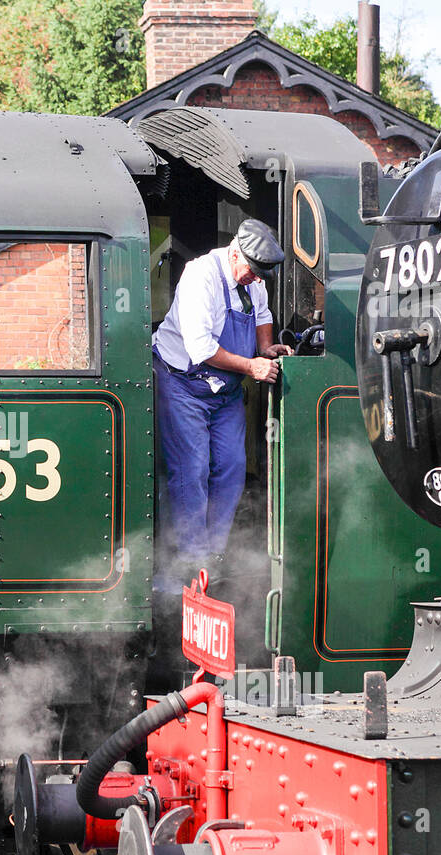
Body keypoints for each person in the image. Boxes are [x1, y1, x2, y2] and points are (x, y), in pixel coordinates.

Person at [152, 219, 290, 588]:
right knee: (191, 471)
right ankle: (185, 563)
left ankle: (212, 556)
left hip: (225, 390)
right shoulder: (201, 277)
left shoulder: (253, 280)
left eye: (261, 275)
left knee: (231, 467)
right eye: (251, 271)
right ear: (234, 253)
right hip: (181, 381)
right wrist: (251, 366)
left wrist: (265, 348)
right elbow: (200, 349)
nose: (255, 280)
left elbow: (262, 316)